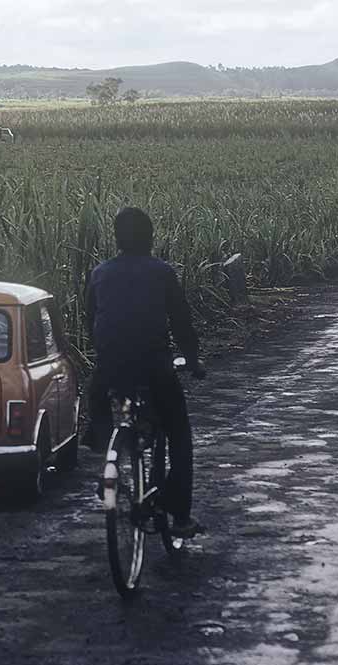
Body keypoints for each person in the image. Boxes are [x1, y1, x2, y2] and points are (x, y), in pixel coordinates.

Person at [84, 207, 206, 539]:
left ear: (117, 239)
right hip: (154, 367)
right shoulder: (161, 272)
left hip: (110, 368)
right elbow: (181, 323)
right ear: (151, 239)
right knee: (179, 433)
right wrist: (193, 361)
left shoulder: (99, 273)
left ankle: (103, 454)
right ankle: (180, 515)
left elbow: (90, 319)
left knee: (98, 398)